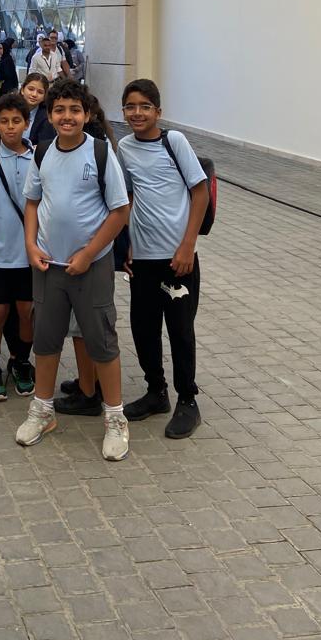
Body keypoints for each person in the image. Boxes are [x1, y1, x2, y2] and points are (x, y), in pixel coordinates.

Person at [16, 78, 130, 461]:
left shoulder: (100, 152)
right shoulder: (42, 152)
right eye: (60, 110)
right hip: (49, 264)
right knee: (46, 340)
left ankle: (115, 418)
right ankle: (42, 410)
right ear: (49, 115)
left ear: (87, 114)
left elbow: (120, 211)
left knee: (101, 340)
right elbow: (33, 202)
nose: (67, 117)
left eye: (75, 110)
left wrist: (89, 253)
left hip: (91, 267)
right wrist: (31, 244)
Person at [118, 78, 209, 440]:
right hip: (142, 258)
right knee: (143, 327)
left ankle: (187, 399)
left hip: (177, 259)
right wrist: (127, 242)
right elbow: (127, 197)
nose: (137, 113)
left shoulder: (175, 142)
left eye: (144, 106)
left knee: (180, 330)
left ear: (158, 111)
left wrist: (187, 245)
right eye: (130, 106)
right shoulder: (124, 147)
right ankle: (156, 392)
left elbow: (200, 192)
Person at [0, 93, 36, 401]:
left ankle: (21, 362)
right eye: (4, 121)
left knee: (26, 310)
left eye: (16, 121)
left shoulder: (39, 156)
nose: (10, 127)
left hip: (29, 252)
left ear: (26, 123)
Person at [21, 73, 53, 145]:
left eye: (40, 92)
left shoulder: (47, 118)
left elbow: (45, 146)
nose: (34, 94)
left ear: (44, 96)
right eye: (31, 89)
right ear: (22, 90)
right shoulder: (10, 109)